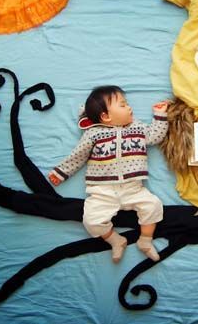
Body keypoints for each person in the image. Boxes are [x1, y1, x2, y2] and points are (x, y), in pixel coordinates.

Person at [48, 85, 169, 263]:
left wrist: (160, 115)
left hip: (133, 188)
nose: (129, 107)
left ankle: (145, 240)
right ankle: (115, 240)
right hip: (102, 191)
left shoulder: (137, 128)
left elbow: (155, 136)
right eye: (123, 105)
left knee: (154, 206)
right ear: (105, 116)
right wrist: (61, 172)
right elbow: (79, 155)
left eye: (127, 104)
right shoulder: (93, 134)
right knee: (91, 220)